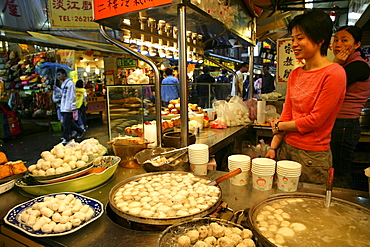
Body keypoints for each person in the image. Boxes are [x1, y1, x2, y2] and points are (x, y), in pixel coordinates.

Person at [265, 9, 346, 185]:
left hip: (312, 157)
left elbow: (315, 121)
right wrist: (273, 146)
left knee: (309, 209)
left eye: (300, 38)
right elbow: (287, 112)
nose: (294, 44)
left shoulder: (334, 73)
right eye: (293, 38)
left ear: (320, 39)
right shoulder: (294, 74)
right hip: (286, 150)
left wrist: (280, 125)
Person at [330, 26, 370, 188]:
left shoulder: (358, 67)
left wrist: (335, 64)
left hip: (344, 125)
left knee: (340, 171)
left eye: (344, 40)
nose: (338, 44)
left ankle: (340, 207)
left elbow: (329, 86)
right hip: (339, 124)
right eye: (336, 40)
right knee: (336, 168)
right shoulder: (346, 65)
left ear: (357, 45)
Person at [57, 69, 86, 145]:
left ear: (64, 74)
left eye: (59, 74)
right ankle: (80, 130)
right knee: (68, 122)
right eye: (57, 75)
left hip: (68, 107)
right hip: (63, 106)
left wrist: (71, 106)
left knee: (66, 123)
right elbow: (64, 95)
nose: (58, 77)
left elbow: (72, 96)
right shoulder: (63, 84)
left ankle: (66, 137)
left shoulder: (70, 84)